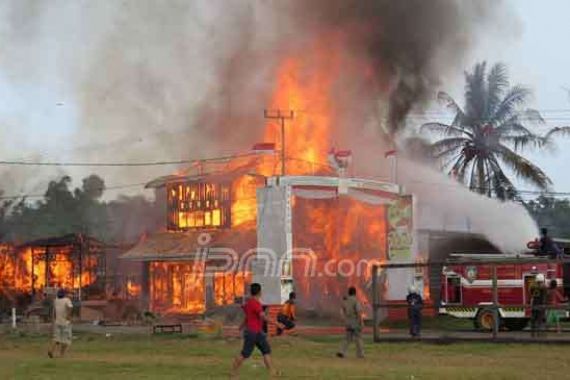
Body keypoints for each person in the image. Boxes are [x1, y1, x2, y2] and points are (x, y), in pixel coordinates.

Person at [231, 283, 276, 378]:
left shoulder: (248, 303)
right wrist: (277, 323)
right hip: (252, 333)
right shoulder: (256, 304)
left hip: (257, 332)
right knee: (244, 354)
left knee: (266, 351)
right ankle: (233, 373)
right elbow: (263, 317)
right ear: (260, 292)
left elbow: (247, 317)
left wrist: (241, 327)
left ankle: (272, 373)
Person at [337, 286, 364, 359]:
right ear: (355, 293)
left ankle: (341, 352)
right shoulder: (356, 301)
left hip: (348, 322)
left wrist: (344, 319)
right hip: (355, 322)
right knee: (358, 338)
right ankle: (360, 354)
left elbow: (341, 311)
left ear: (349, 293)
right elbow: (358, 312)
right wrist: (361, 321)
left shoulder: (345, 301)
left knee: (347, 338)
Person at [47, 289, 74, 358]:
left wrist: (53, 320)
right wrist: (68, 315)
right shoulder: (67, 300)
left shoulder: (56, 301)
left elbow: (54, 311)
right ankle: (62, 354)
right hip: (65, 322)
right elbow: (70, 307)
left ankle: (51, 350)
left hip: (57, 322)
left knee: (56, 338)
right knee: (66, 340)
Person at [530, 274, 548, 338]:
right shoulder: (544, 287)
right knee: (539, 320)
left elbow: (531, 294)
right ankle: (539, 334)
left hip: (534, 305)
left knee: (533, 320)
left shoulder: (533, 286)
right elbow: (545, 297)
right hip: (540, 306)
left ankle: (533, 334)